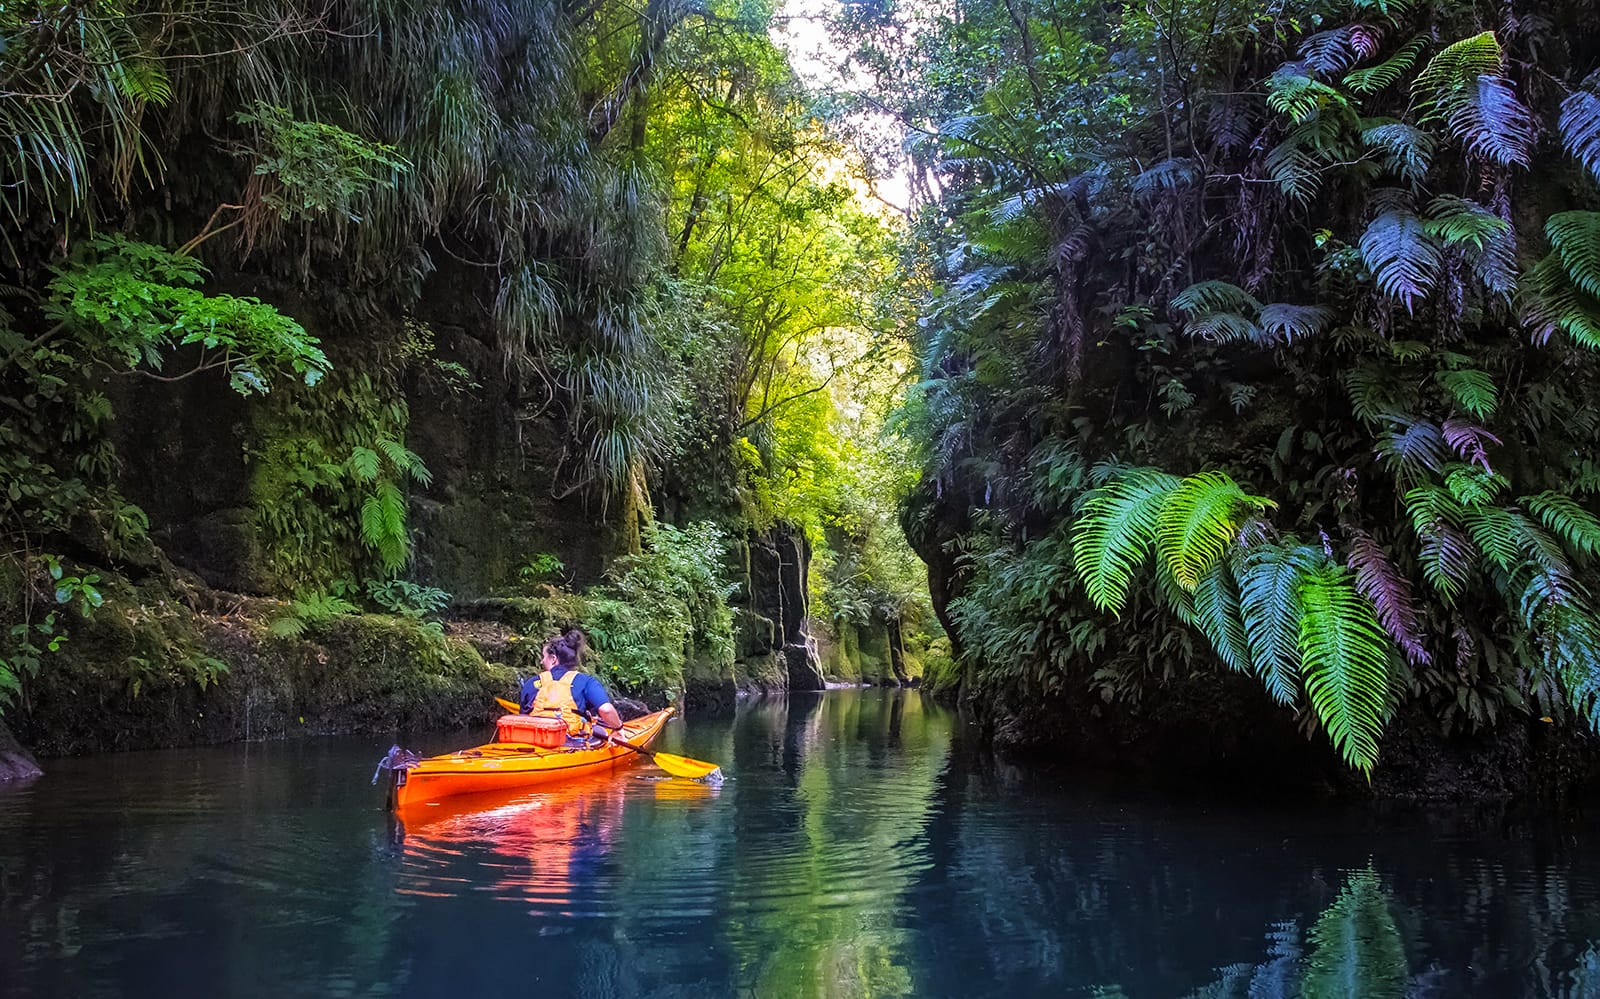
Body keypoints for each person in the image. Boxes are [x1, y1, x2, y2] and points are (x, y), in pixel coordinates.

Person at [519, 633, 625, 745]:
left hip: (535, 742)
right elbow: (606, 710)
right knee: (599, 731)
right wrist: (618, 728)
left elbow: (523, 718)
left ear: (553, 659)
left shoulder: (532, 683)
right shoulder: (585, 681)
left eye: (543, 657)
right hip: (572, 742)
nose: (542, 661)